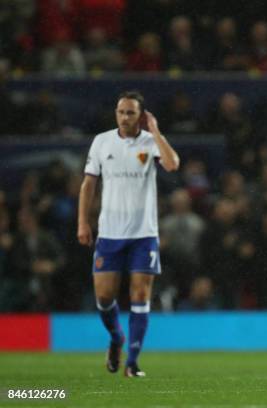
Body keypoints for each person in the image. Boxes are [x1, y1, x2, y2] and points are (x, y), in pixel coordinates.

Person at [77, 91, 180, 377]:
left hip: (143, 234)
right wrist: (83, 223)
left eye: (130, 113)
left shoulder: (150, 142)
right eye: (121, 111)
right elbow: (88, 185)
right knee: (105, 297)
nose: (124, 117)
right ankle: (116, 338)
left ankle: (132, 362)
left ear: (141, 116)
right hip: (109, 234)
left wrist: (156, 131)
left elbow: (172, 164)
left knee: (140, 294)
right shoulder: (102, 141)